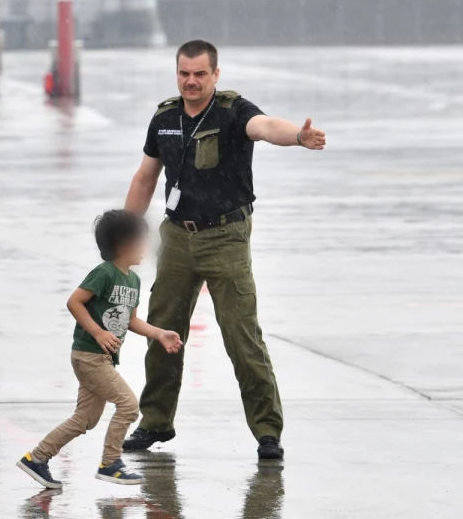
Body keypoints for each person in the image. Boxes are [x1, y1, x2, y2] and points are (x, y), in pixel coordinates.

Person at [122, 40, 327, 462]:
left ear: (216, 74)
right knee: (162, 330)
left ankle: (268, 431)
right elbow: (145, 178)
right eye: (184, 73)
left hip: (226, 237)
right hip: (177, 236)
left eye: (200, 74)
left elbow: (265, 127)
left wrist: (298, 137)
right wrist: (124, 234)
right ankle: (156, 422)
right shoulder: (164, 117)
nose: (191, 81)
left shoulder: (233, 111)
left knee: (241, 336)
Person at [17, 210, 182, 490]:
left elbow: (130, 320)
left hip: (103, 358)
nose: (145, 247)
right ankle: (110, 463)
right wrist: (98, 331)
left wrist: (159, 334)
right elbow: (75, 302)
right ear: (125, 244)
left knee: (85, 419)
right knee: (129, 405)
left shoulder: (133, 280)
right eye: (141, 241)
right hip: (88, 356)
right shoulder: (104, 273)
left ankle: (37, 458)